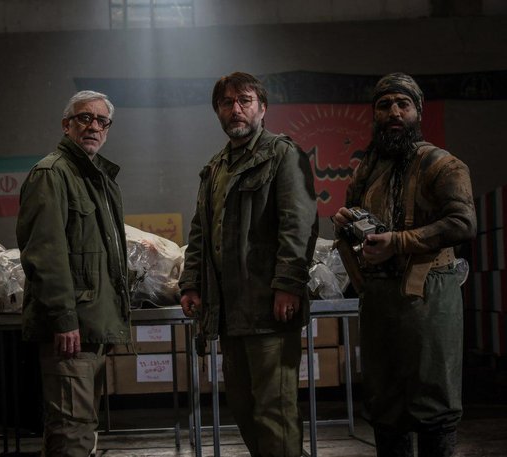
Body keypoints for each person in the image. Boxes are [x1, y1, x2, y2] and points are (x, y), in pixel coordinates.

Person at [333, 73, 476, 457]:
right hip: (379, 299)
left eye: (403, 104)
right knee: (385, 407)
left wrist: (398, 242)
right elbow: (356, 219)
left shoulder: (441, 164)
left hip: (429, 296)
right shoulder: (366, 170)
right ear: (374, 114)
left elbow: (463, 223)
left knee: (433, 405)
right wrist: (347, 223)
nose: (394, 112)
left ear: (418, 112)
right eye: (384, 105)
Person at [178, 72, 318, 457]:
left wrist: (288, 283)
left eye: (245, 100)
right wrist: (191, 283)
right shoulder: (215, 168)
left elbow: (299, 223)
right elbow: (200, 231)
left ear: (263, 107)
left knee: (275, 412)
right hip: (230, 312)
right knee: (244, 409)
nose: (235, 109)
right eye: (227, 102)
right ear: (218, 112)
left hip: (269, 308)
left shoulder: (283, 154)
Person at [16, 90, 130, 457]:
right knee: (72, 433)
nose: (94, 126)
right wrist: (64, 318)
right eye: (85, 118)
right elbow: (45, 255)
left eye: (102, 121)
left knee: (79, 429)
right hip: (71, 330)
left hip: (92, 326)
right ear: (67, 125)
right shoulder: (52, 174)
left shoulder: (98, 179)